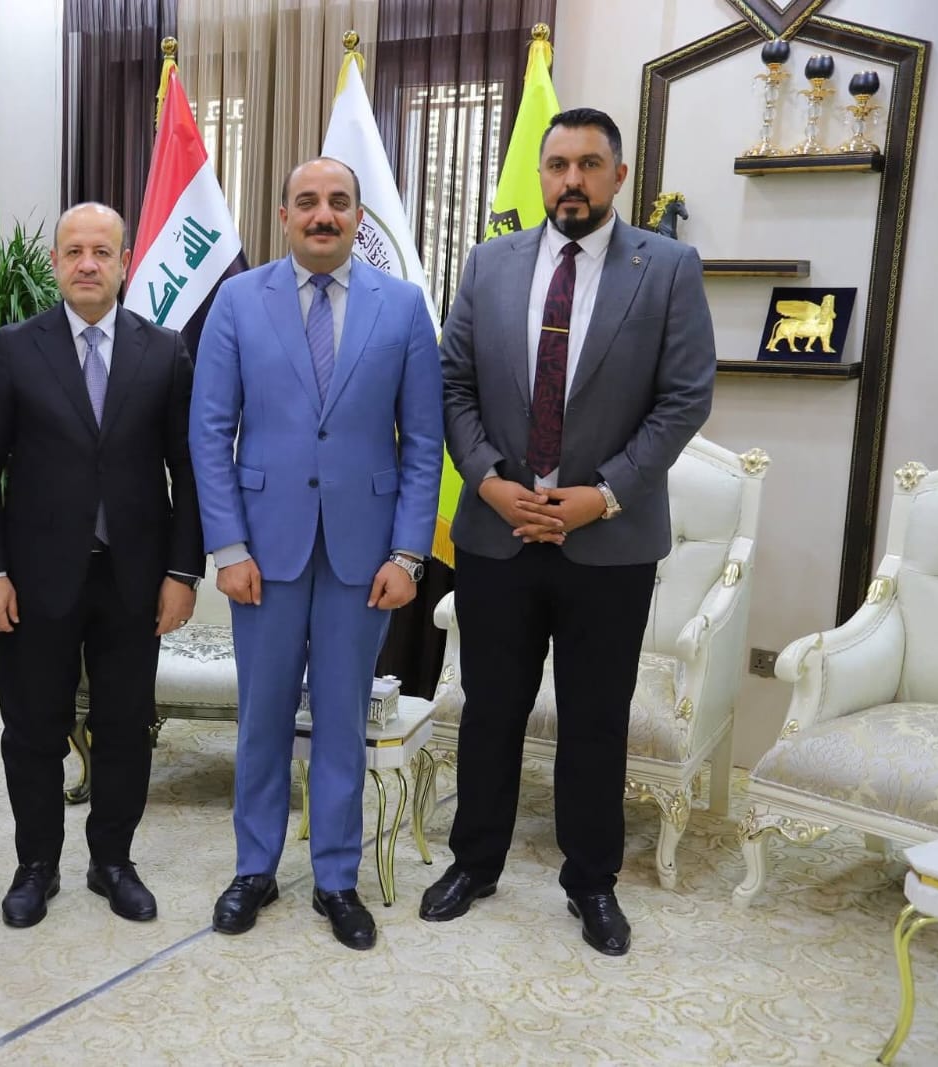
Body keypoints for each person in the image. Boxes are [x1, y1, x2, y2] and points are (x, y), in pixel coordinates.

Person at [424, 108, 715, 956]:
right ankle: (474, 862)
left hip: (608, 545)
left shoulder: (666, 268)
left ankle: (591, 881)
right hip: (497, 534)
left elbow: (684, 398)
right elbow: (453, 382)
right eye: (558, 165)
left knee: (594, 718)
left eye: (589, 164)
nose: (572, 180)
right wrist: (488, 480)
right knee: (490, 708)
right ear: (542, 174)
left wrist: (605, 494)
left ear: (618, 175)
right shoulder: (489, 262)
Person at [190, 158, 443, 950]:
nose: (323, 214)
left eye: (338, 202)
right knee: (262, 718)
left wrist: (408, 554)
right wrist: (228, 545)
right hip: (262, 554)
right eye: (307, 201)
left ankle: (337, 878)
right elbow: (209, 432)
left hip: (363, 557)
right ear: (283, 215)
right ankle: (254, 868)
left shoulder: (403, 306)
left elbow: (423, 441)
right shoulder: (238, 300)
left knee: (341, 720)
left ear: (358, 217)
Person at [0, 202, 203, 929]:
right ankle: (36, 865)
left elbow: (190, 469)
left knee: (125, 726)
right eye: (74, 251)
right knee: (32, 727)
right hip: (34, 580)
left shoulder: (164, 350)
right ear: (57, 262)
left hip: (134, 580)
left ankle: (113, 861)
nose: (87, 264)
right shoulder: (15, 347)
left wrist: (182, 573)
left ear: (125, 262)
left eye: (102, 251)